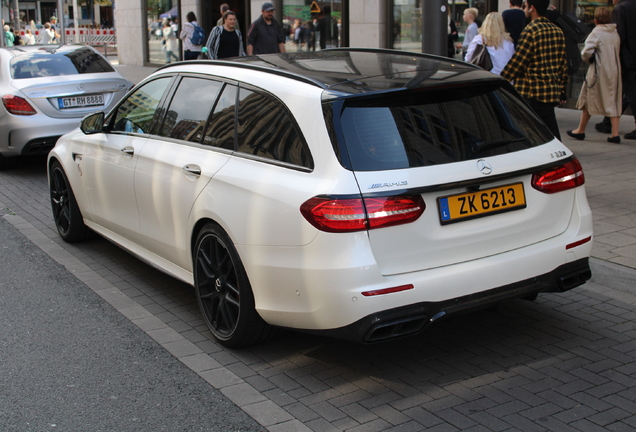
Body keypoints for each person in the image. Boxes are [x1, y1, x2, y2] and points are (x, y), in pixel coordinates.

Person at [501, 0, 568, 141]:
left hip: (532, 90)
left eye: (526, 6)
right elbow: (562, 63)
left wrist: (501, 79)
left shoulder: (531, 30)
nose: (524, 9)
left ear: (532, 8)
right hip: (550, 90)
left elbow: (518, 61)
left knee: (531, 133)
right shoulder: (557, 30)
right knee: (550, 131)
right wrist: (562, 90)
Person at [566, 7, 622, 143]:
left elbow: (586, 52)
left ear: (596, 20)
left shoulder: (597, 32)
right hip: (614, 70)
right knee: (613, 101)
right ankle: (615, 133)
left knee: (588, 98)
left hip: (599, 71)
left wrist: (588, 59)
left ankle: (580, 129)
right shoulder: (614, 32)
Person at [595, 0, 636, 140]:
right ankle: (607, 122)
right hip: (631, 58)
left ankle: (608, 123)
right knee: (625, 93)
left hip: (627, 58)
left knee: (627, 93)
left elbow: (618, 35)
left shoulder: (621, 9)